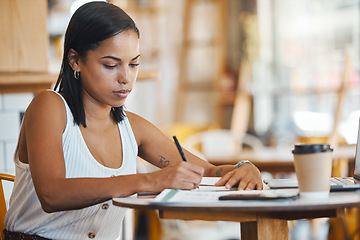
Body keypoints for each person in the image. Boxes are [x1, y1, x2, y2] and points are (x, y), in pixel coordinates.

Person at [4, 1, 263, 239]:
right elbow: (52, 193)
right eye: (110, 64)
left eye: (134, 64)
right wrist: (149, 181)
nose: (126, 78)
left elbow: (206, 172)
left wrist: (243, 167)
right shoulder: (49, 107)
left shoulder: (132, 128)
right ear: (75, 60)